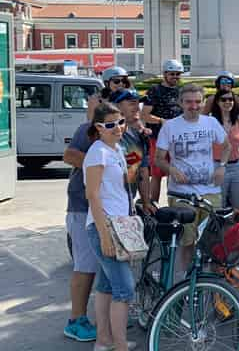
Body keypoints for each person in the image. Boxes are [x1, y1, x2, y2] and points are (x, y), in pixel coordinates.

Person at [154, 83, 229, 270]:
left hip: (210, 191)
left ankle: (211, 284)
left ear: (203, 102)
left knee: (214, 242)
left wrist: (222, 166)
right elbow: (159, 159)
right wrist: (172, 170)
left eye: (198, 102)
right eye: (189, 102)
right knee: (187, 242)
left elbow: (226, 145)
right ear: (180, 103)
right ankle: (187, 287)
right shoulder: (170, 126)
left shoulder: (210, 123)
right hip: (182, 194)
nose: (194, 106)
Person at [83, 102, 136, 351]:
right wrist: (104, 236)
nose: (118, 128)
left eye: (121, 122)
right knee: (125, 289)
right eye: (111, 124)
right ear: (99, 128)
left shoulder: (116, 149)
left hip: (118, 225)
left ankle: (104, 340)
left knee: (106, 286)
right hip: (106, 227)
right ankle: (120, 345)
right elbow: (92, 195)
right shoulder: (98, 151)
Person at [62, 117, 99, 343]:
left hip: (112, 211)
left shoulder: (135, 133)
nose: (136, 106)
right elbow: (69, 155)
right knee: (85, 266)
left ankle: (103, 317)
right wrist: (101, 162)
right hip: (82, 207)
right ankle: (76, 321)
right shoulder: (88, 129)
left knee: (99, 267)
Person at [141, 59, 185, 203]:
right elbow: (144, 115)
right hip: (158, 139)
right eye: (172, 74)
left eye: (178, 74)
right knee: (157, 173)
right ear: (165, 74)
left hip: (178, 139)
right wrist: (161, 121)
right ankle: (153, 205)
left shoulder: (181, 91)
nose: (175, 77)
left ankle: (174, 203)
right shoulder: (155, 90)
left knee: (175, 172)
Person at [109, 88, 153, 214]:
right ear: (115, 106)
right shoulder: (99, 133)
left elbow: (142, 171)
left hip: (127, 204)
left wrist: (146, 203)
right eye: (132, 103)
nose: (138, 108)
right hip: (104, 206)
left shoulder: (138, 135)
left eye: (138, 103)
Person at [209, 88, 239, 212]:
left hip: (237, 167)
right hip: (217, 167)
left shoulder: (237, 119)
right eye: (224, 99)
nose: (228, 102)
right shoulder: (211, 121)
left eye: (231, 99)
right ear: (217, 102)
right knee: (218, 206)